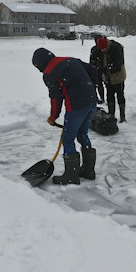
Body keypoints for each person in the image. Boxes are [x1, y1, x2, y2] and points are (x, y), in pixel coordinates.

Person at [32, 47, 98, 185]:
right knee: (82, 135)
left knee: (67, 139)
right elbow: (93, 70)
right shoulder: (71, 60)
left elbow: (56, 98)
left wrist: (53, 117)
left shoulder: (49, 73)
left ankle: (71, 176)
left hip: (76, 107)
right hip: (91, 102)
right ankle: (88, 170)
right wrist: (91, 88)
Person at [96, 37, 127, 122]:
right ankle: (111, 115)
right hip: (108, 77)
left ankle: (122, 116)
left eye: (103, 49)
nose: (102, 51)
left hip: (118, 76)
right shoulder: (101, 50)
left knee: (120, 95)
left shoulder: (116, 48)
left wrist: (109, 69)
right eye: (101, 49)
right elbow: (100, 61)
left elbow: (119, 63)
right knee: (109, 95)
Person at [89, 38, 106, 104]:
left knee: (99, 84)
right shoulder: (94, 49)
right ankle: (102, 98)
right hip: (98, 68)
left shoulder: (94, 49)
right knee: (99, 84)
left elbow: (91, 60)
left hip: (99, 68)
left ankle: (102, 98)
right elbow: (91, 59)